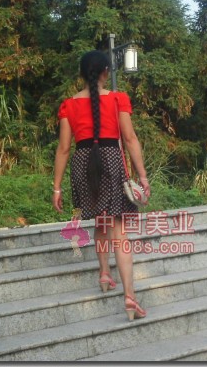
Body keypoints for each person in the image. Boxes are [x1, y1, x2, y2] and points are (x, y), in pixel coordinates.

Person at [52, 50, 150, 321]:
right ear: (106, 71)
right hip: (111, 161)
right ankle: (130, 297)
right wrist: (142, 177)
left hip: (83, 164)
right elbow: (129, 139)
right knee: (119, 232)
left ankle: (104, 273)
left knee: (100, 221)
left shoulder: (68, 105)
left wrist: (57, 187)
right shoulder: (118, 99)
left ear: (82, 74)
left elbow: (63, 149)